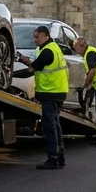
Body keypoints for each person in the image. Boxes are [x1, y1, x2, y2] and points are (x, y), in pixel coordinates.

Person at [17, 25, 68, 169]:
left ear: (45, 36)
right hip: (57, 92)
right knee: (55, 126)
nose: (35, 40)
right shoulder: (52, 48)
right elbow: (35, 66)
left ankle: (53, 159)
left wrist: (12, 75)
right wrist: (25, 60)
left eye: (37, 37)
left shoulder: (47, 52)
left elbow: (32, 69)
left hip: (51, 93)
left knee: (49, 128)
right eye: (34, 37)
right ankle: (60, 158)